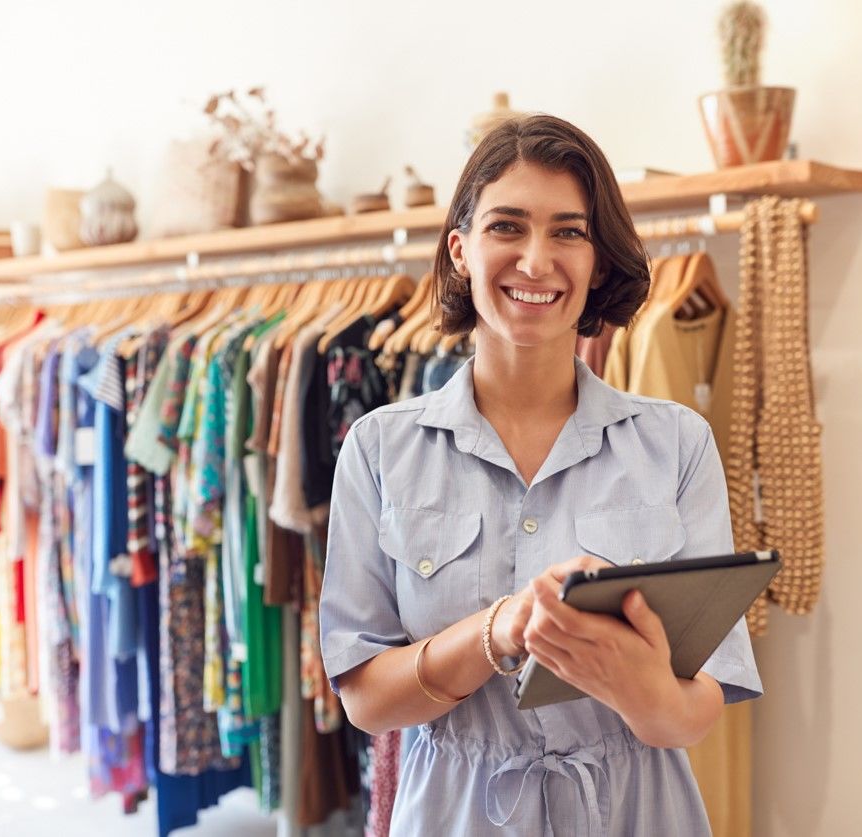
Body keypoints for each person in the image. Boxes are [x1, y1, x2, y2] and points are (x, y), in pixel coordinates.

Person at [319, 114, 761, 835]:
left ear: (597, 261)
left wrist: (641, 688)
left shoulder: (676, 442)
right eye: (507, 227)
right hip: (457, 815)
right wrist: (498, 629)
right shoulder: (378, 448)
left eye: (568, 231)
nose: (535, 260)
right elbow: (365, 699)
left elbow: (701, 704)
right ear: (461, 249)